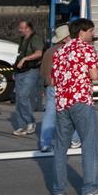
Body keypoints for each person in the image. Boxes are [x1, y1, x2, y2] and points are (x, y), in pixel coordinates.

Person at [49, 17, 98, 195]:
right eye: (91, 31)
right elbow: (94, 74)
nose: (93, 34)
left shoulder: (59, 52)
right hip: (81, 100)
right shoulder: (86, 48)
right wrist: (93, 73)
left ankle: (59, 190)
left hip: (62, 103)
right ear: (82, 32)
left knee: (60, 147)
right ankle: (90, 188)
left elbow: (52, 81)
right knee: (89, 143)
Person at [37, 23, 71, 153]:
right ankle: (74, 139)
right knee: (70, 114)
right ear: (66, 38)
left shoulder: (48, 51)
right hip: (65, 86)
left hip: (51, 86)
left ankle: (45, 142)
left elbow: (43, 71)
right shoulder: (67, 51)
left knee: (49, 115)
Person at [10, 20, 44, 136]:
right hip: (20, 72)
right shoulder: (22, 39)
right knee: (19, 99)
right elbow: (20, 55)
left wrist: (25, 59)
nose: (19, 30)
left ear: (28, 28)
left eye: (21, 28)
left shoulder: (36, 39)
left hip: (31, 71)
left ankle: (30, 121)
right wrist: (15, 70)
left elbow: (39, 53)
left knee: (23, 95)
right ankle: (21, 125)